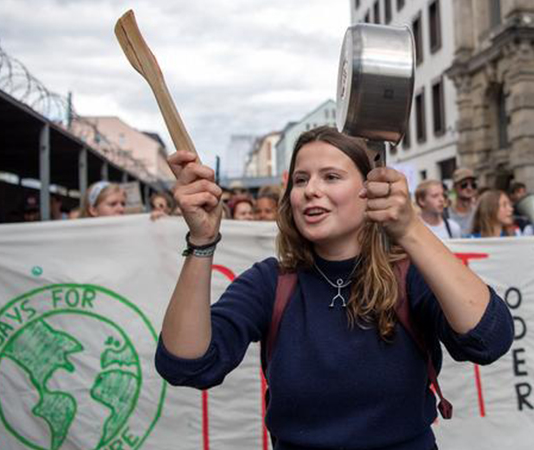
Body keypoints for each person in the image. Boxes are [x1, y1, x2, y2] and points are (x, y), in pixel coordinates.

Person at [155, 126, 514, 450]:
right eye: (300, 180)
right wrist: (202, 241)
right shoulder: (270, 282)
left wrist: (409, 230)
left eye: (330, 177)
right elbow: (186, 365)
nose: (311, 190)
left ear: (369, 191)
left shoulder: (409, 275)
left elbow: (489, 338)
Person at [447, 167, 477, 235]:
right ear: (454, 187)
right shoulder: (445, 215)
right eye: (464, 185)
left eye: (473, 185)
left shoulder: (479, 212)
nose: (469, 188)